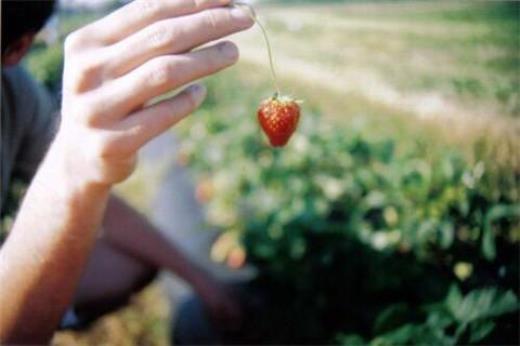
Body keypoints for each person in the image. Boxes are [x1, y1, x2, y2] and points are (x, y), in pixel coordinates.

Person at [0, 0, 254, 343]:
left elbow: (107, 213)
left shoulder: (15, 95)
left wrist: (200, 280)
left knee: (133, 261)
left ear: (16, 50)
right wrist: (70, 172)